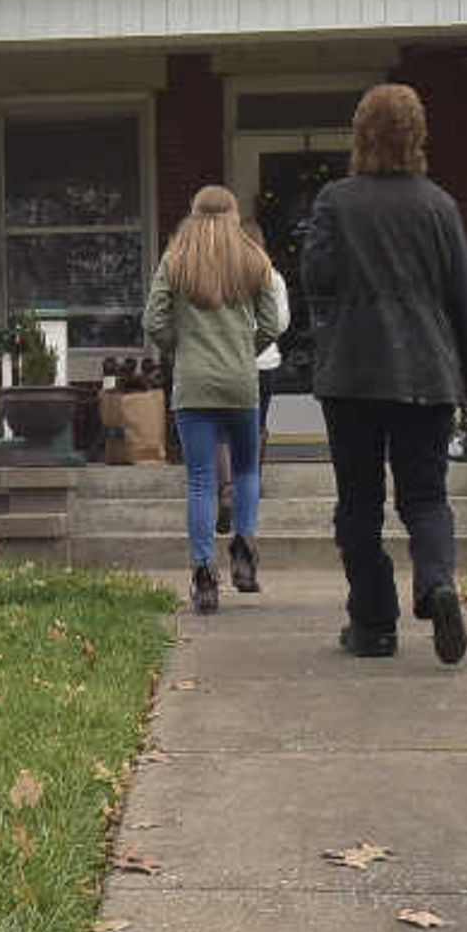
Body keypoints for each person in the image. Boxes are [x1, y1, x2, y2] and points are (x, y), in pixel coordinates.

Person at [298, 82, 467, 663]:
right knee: (426, 497)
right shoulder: (440, 206)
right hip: (428, 374)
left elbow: (317, 280)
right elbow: (466, 300)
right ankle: (438, 584)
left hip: (353, 374)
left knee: (358, 502)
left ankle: (374, 622)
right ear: (418, 137)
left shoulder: (335, 202)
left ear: (361, 135)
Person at [143, 185, 287, 613]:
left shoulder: (176, 259)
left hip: (193, 385)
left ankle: (204, 575)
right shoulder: (253, 259)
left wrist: (180, 347)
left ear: (193, 213)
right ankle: (243, 551)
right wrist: (246, 349)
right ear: (232, 214)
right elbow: (272, 323)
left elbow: (153, 320)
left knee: (202, 479)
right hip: (242, 382)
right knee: (245, 470)